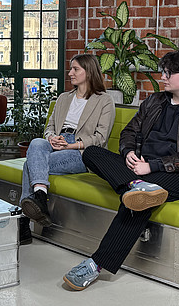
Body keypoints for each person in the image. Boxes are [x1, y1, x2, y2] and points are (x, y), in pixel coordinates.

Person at [64, 50, 179, 291]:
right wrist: (128, 152)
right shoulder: (155, 101)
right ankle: (137, 186)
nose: (162, 76)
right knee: (92, 153)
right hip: (140, 168)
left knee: (138, 202)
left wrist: (152, 166)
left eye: (168, 73)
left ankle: (96, 264)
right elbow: (129, 132)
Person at [19, 54, 115, 245]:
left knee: (30, 165)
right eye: (70, 69)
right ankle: (40, 196)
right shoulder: (64, 98)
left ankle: (24, 221)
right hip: (58, 143)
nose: (70, 73)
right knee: (37, 142)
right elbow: (49, 127)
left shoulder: (104, 101)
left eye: (75, 69)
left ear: (88, 72)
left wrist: (71, 144)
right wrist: (52, 138)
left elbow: (100, 138)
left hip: (81, 151)